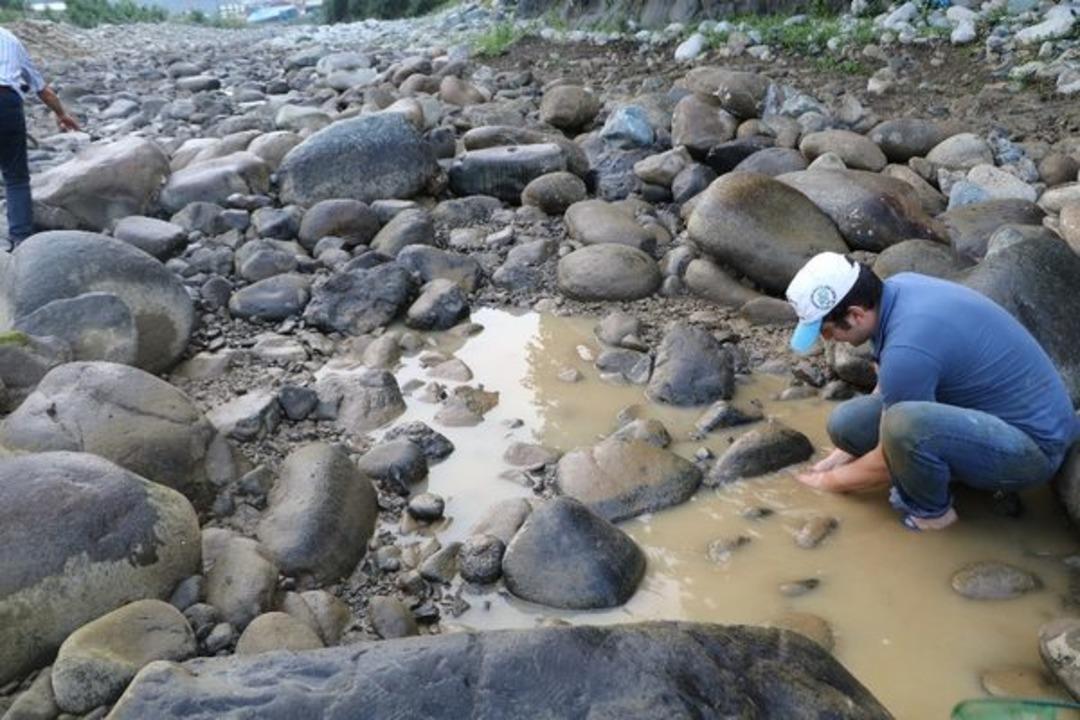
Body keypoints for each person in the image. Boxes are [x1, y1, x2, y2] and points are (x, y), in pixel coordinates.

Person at [786, 252, 1079, 531]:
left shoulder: (907, 347)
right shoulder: (897, 290)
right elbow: (886, 389)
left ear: (856, 314)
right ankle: (943, 471)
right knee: (847, 424)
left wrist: (827, 484)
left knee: (905, 426)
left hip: (1033, 450)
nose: (828, 339)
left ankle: (934, 516)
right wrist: (832, 461)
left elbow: (889, 451)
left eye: (827, 331)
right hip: (987, 416)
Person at [0, 27, 80, 247]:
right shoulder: (10, 40)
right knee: (15, 178)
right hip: (5, 102)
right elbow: (41, 88)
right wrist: (61, 114)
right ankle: (21, 240)